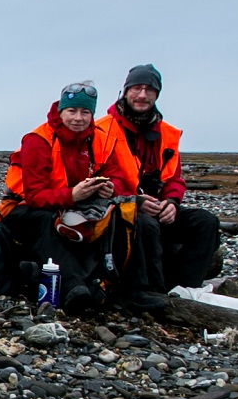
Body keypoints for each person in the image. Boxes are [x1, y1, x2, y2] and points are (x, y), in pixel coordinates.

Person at [0, 81, 165, 313]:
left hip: (75, 205)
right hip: (23, 209)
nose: (78, 118)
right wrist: (72, 195)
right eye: (72, 111)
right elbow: (34, 195)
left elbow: (117, 177)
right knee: (47, 220)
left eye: (85, 112)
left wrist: (109, 188)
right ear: (61, 111)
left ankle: (136, 290)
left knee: (126, 215)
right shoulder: (39, 140)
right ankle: (74, 287)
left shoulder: (99, 139)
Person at [94, 64, 221, 289]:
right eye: (137, 88)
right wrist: (135, 201)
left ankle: (184, 289)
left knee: (206, 223)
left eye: (149, 89)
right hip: (118, 209)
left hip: (157, 206)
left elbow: (175, 178)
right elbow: (98, 179)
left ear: (156, 94)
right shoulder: (101, 130)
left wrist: (171, 202)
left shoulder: (166, 134)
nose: (142, 95)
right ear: (125, 91)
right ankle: (151, 289)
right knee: (145, 225)